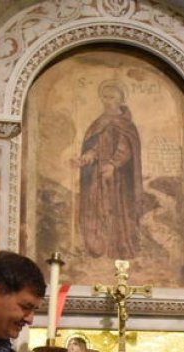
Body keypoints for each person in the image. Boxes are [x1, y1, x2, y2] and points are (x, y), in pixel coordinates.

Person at [74, 80, 143, 260]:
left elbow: (126, 148)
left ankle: (119, 248)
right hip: (99, 175)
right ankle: (98, 248)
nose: (107, 101)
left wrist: (113, 164)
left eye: (111, 97)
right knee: (97, 207)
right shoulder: (99, 123)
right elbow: (96, 146)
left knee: (117, 209)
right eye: (104, 97)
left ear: (121, 99)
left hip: (119, 179)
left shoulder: (126, 125)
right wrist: (87, 157)